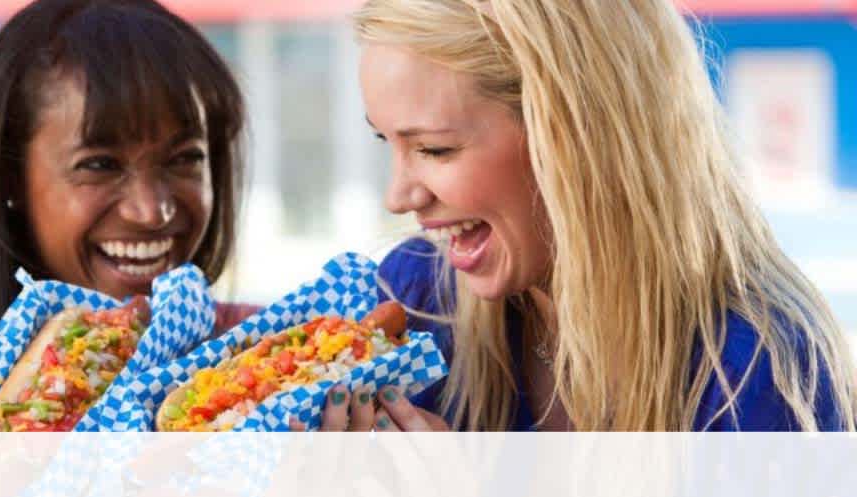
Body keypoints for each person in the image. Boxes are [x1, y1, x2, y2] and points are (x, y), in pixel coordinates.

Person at [307, 0, 857, 431]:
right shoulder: (417, 301)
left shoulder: (754, 370)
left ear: (573, 139)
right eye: (388, 142)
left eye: (434, 149)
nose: (399, 197)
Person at [0, 0, 257, 431]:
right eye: (99, 164)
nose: (151, 211)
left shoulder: (274, 357)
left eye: (186, 158)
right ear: (9, 180)